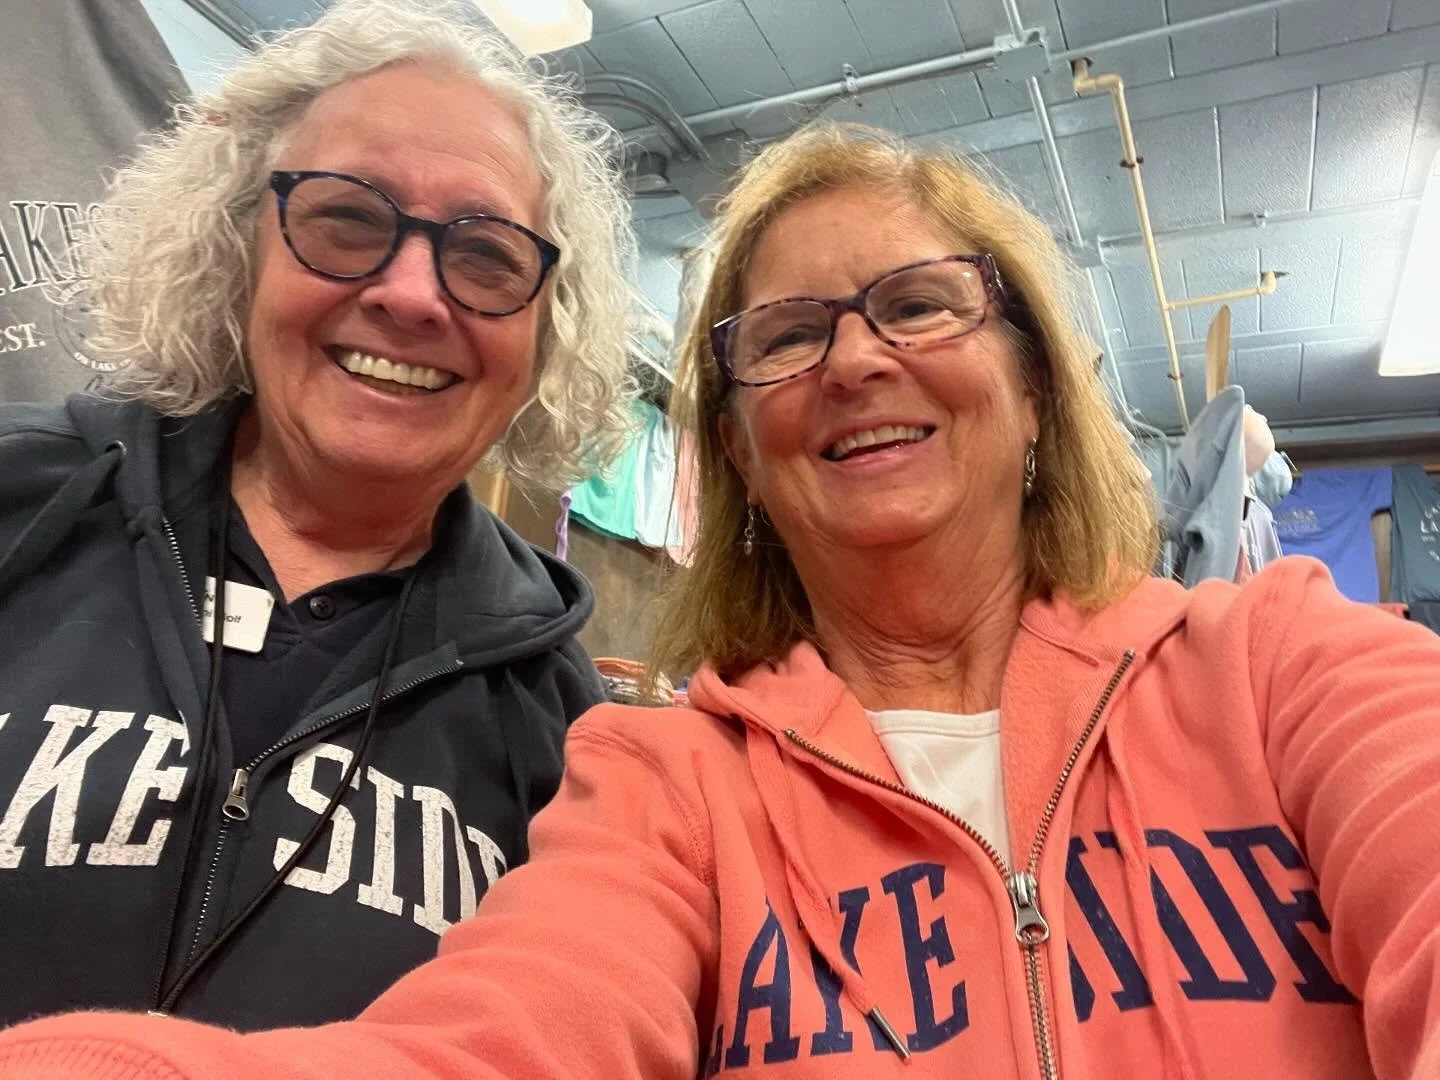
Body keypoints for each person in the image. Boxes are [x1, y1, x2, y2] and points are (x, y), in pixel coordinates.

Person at [4, 123, 1440, 1080]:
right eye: (790, 334)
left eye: (920, 303)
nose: (855, 358)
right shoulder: (666, 783)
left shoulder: (1277, 663)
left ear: (1036, 386)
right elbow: (483, 1050)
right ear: (740, 456)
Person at [0, 0, 634, 1032]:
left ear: (542, 334)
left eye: (486, 257)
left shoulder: (562, 720)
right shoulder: (23, 504)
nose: (415, 294)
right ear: (237, 243)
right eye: (348, 217)